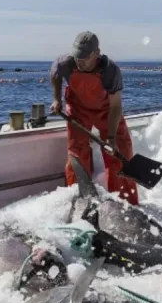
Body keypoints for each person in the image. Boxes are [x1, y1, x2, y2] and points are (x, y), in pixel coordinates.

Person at [49, 31, 139, 206]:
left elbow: (115, 106)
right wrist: (56, 99)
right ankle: (78, 202)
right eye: (77, 56)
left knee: (120, 152)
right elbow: (54, 75)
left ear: (96, 54)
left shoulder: (110, 70)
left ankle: (124, 204)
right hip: (78, 109)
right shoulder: (65, 63)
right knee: (76, 153)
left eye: (84, 57)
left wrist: (111, 138)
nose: (79, 61)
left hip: (106, 111)